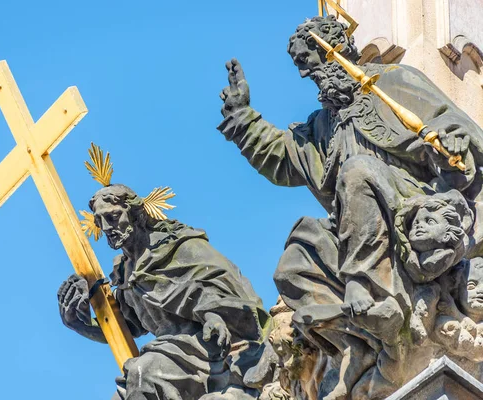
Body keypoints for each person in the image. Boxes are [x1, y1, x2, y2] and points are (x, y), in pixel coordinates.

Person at [217, 14, 483, 399]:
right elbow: (280, 154)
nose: (314, 76)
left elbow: (459, 128)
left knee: (357, 171)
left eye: (317, 62)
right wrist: (243, 119)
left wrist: (454, 144)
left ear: (339, 49)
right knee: (297, 253)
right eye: (306, 70)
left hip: (414, 209)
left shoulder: (393, 82)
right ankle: (358, 337)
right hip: (358, 230)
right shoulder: (324, 127)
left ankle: (370, 292)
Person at [58, 184, 271, 400]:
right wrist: (77, 322)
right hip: (168, 355)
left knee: (145, 375)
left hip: (205, 348)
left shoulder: (178, 246)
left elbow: (223, 285)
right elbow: (124, 329)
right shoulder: (124, 273)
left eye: (113, 217)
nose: (106, 227)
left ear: (135, 214)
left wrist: (213, 314)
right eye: (99, 222)